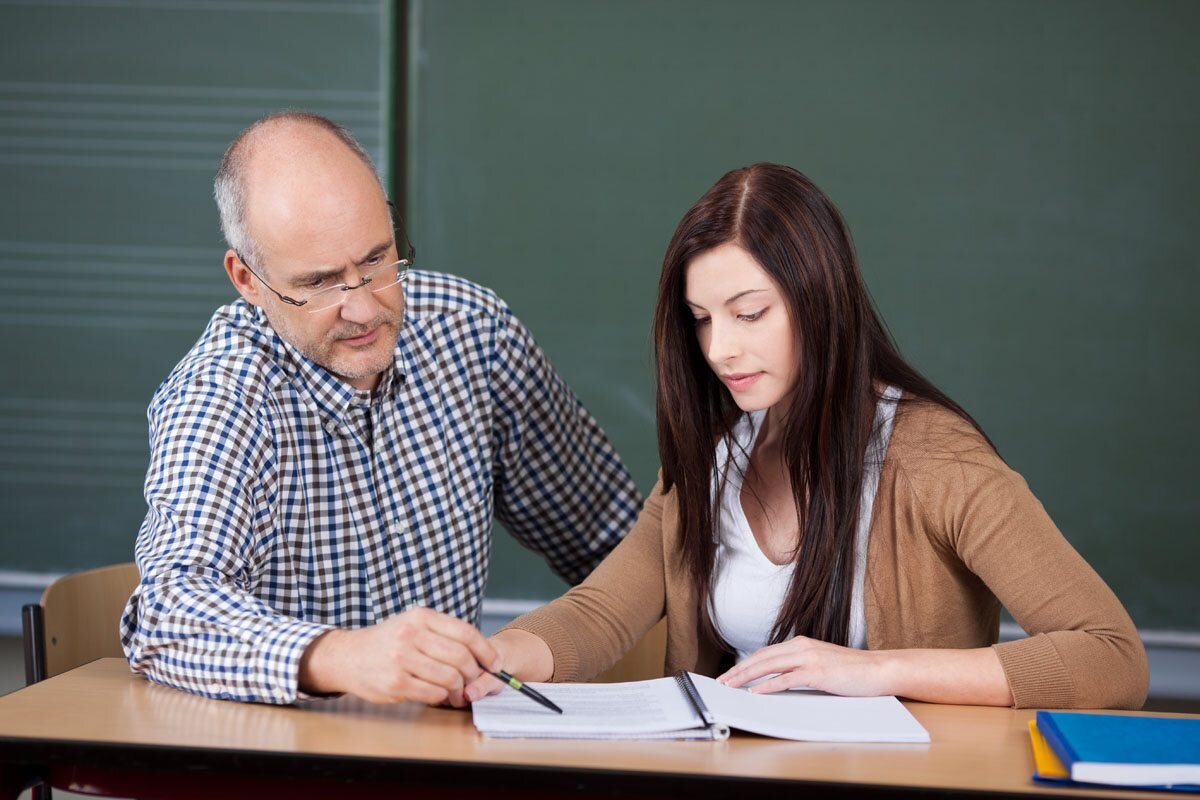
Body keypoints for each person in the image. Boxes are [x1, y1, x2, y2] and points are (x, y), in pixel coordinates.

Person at [464, 163, 1149, 710]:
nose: (720, 348)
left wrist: (874, 672)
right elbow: (601, 610)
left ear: (820, 300)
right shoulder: (714, 458)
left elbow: (1112, 657)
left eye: (750, 312)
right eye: (701, 319)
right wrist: (498, 658)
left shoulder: (936, 461)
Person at [119, 112, 641, 706]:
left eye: (375, 261)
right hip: (292, 764)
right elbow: (165, 615)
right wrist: (340, 655)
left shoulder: (472, 333)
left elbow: (619, 543)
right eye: (319, 283)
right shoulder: (221, 395)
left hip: (450, 753)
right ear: (248, 280)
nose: (365, 309)